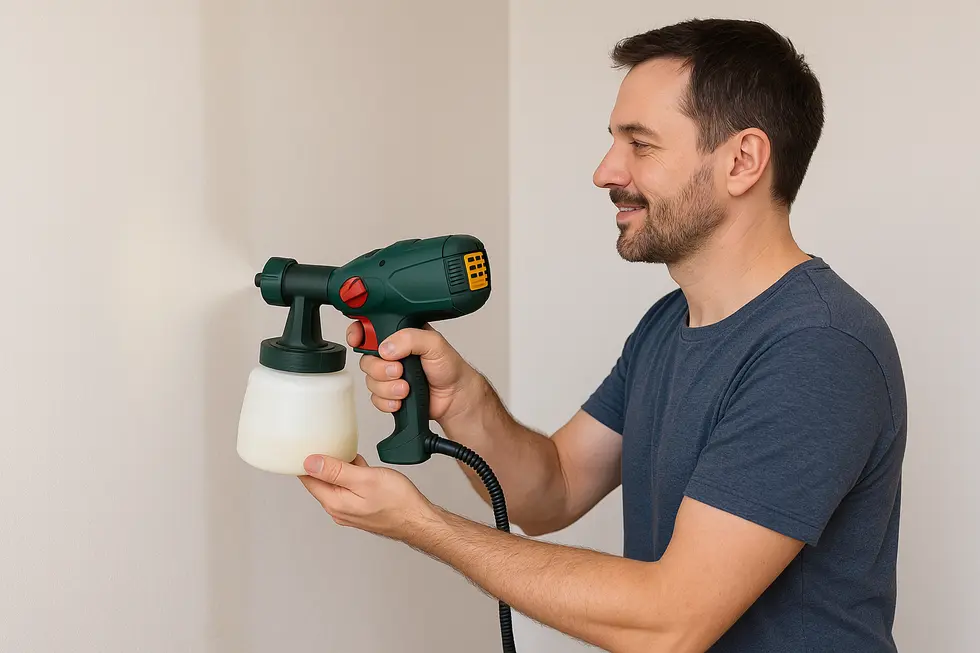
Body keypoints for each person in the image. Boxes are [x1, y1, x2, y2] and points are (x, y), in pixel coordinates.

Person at [298, 17, 907, 653]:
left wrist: (422, 525)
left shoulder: (818, 348)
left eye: (640, 144)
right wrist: (464, 402)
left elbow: (670, 622)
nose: (604, 172)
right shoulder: (668, 325)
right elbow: (552, 490)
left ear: (742, 160)